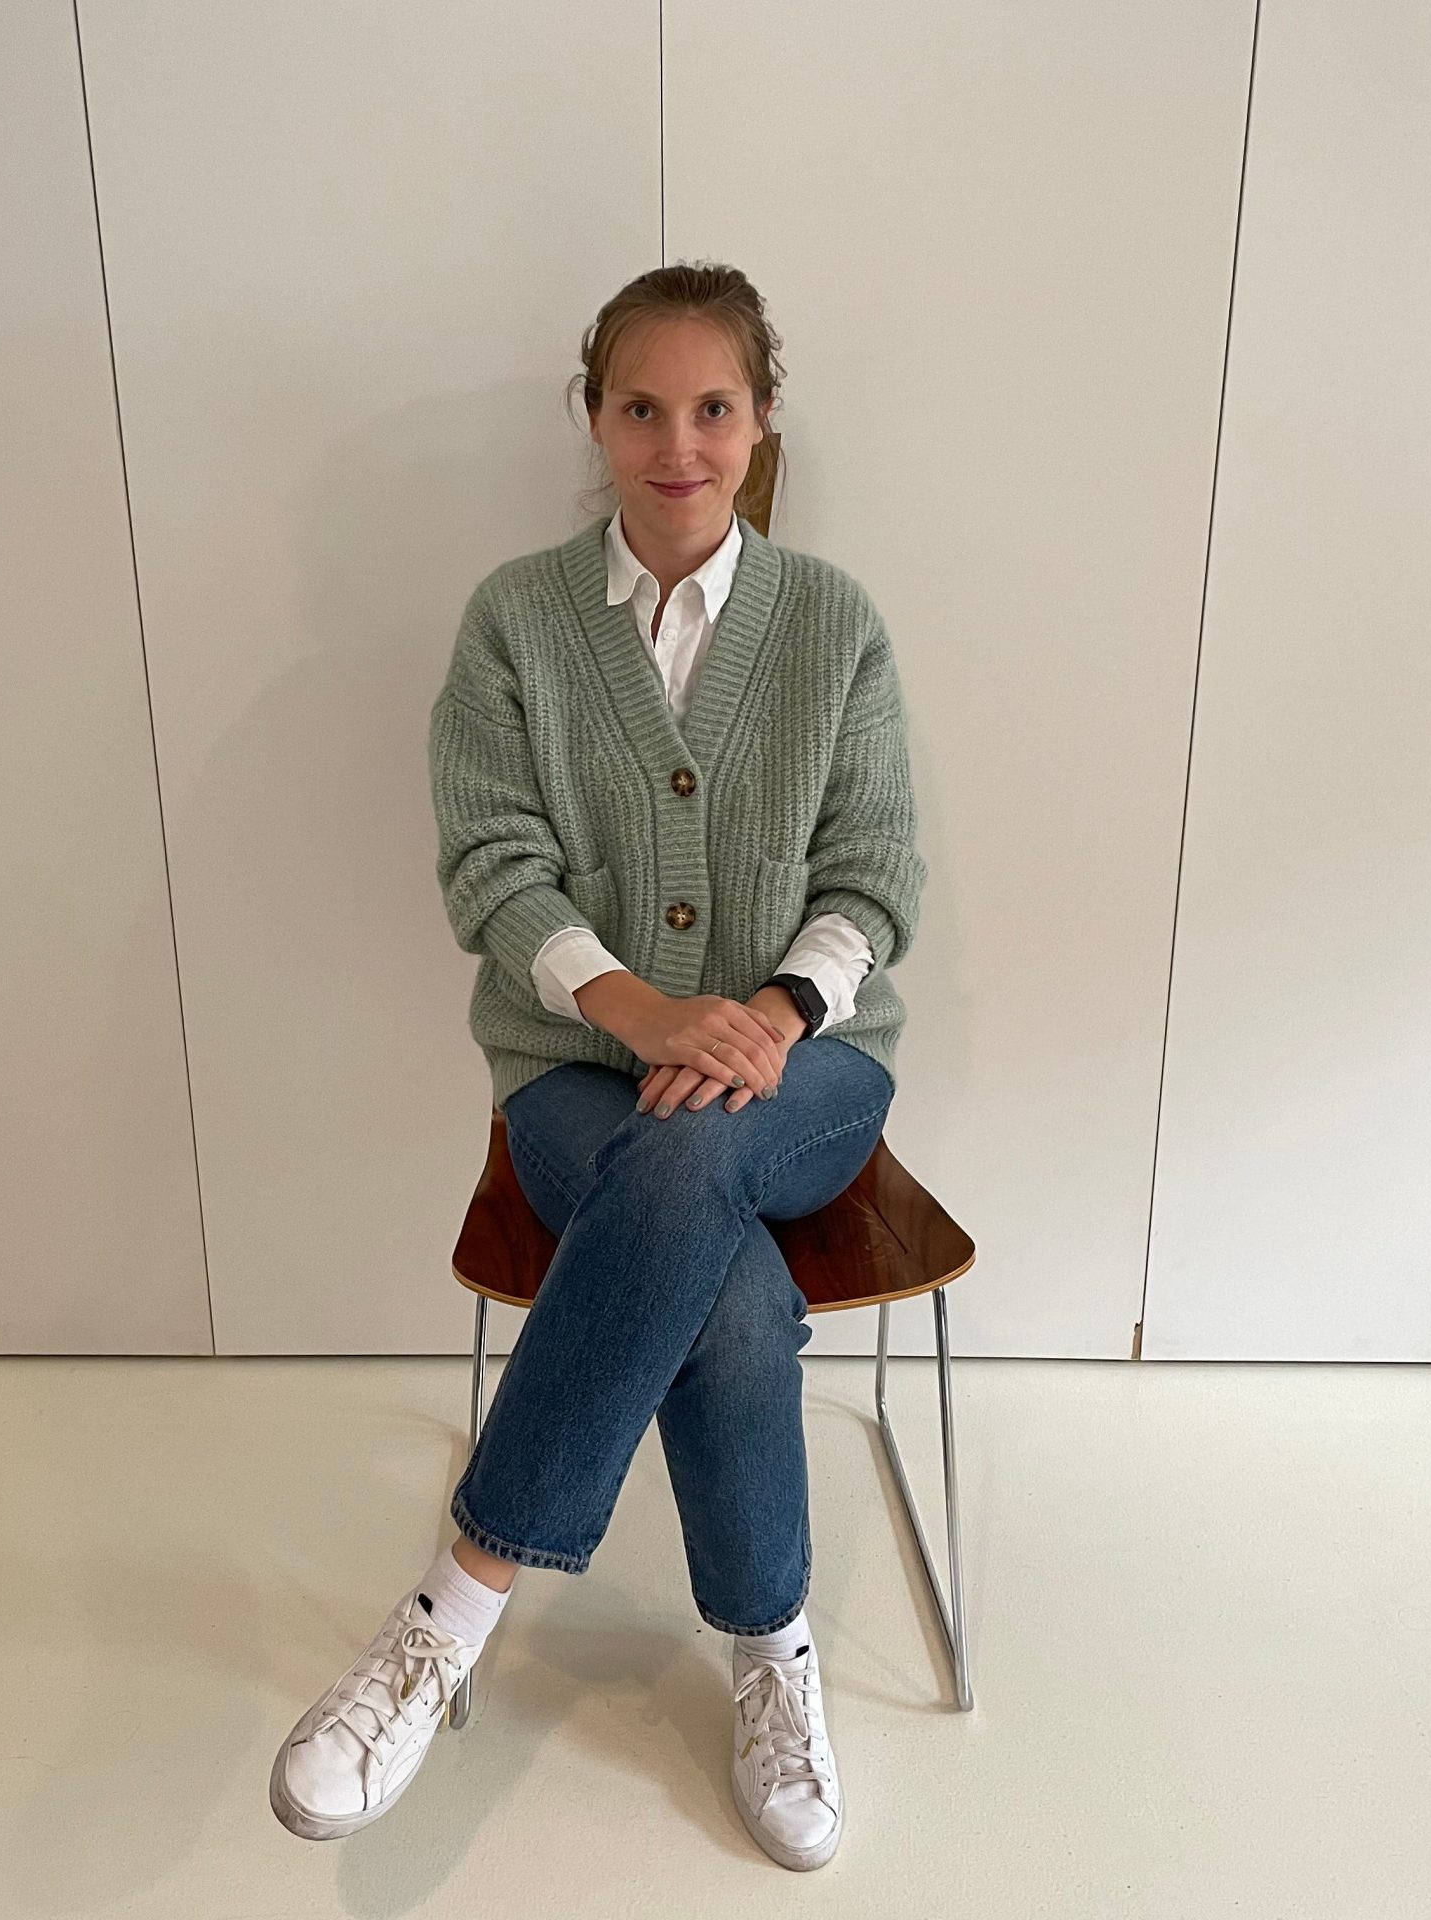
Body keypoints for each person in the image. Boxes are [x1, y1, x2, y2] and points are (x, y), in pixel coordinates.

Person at [268, 262, 925, 1872]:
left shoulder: (833, 625)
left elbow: (875, 880)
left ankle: (448, 1615)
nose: (678, 442)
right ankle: (775, 1657)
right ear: (596, 417)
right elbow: (495, 868)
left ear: (762, 424)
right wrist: (645, 1015)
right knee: (729, 1276)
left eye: (714, 408)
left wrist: (765, 1017)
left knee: (702, 1155)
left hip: (817, 1076)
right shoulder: (516, 621)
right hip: (574, 1077)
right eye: (643, 407)